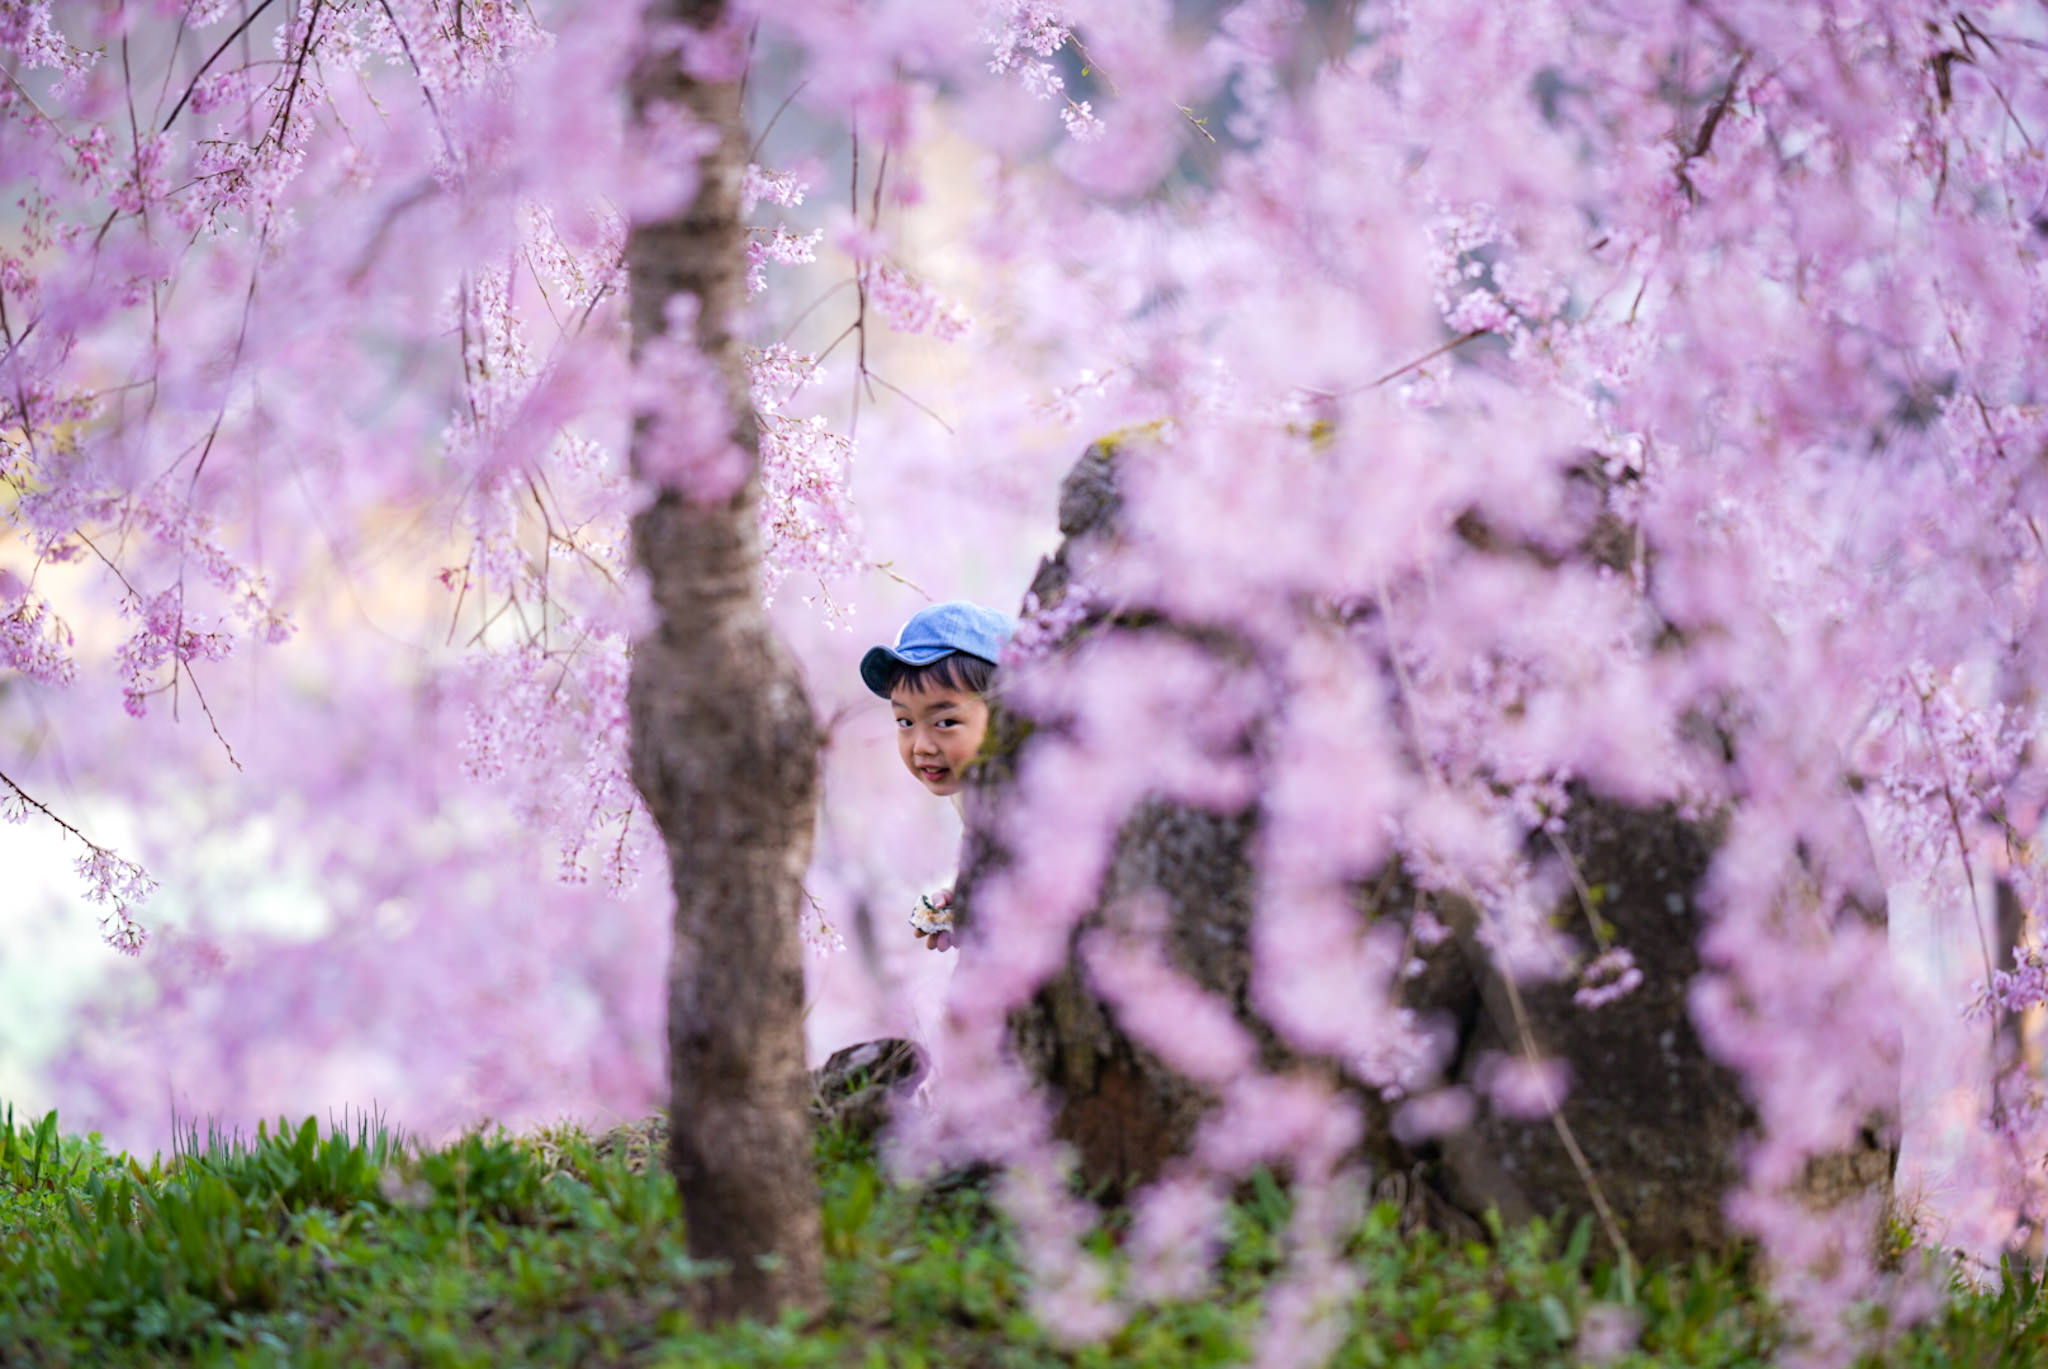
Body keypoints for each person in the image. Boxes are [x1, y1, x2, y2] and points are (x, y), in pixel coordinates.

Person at [860, 600, 1013, 952]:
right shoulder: (975, 790)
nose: (921, 746)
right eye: (905, 721)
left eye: (945, 722)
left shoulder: (1035, 791)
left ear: (1005, 715)